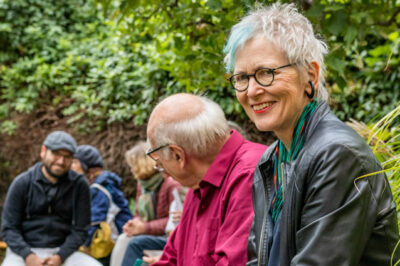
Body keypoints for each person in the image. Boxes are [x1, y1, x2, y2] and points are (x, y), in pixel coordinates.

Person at [223, 3, 400, 266]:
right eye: (241, 78)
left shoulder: (337, 154)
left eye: (265, 73)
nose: (251, 91)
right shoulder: (271, 159)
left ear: (311, 76)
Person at [146, 93, 267, 265]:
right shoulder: (198, 184)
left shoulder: (249, 175)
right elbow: (171, 259)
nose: (163, 172)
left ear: (178, 155)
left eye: (159, 162)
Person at [1, 131, 102, 266]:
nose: (61, 161)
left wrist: (60, 256)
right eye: (56, 154)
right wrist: (28, 256)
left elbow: (81, 229)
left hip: (64, 252)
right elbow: (8, 228)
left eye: (67, 157)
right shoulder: (22, 183)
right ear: (43, 151)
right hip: (23, 252)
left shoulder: (79, 184)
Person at [110, 141, 179, 266]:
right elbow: (138, 214)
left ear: (143, 164)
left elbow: (173, 221)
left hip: (165, 236)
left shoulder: (170, 184)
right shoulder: (142, 185)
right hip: (151, 232)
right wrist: (134, 224)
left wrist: (145, 227)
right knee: (123, 238)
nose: (131, 170)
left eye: (133, 165)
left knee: (135, 243)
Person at [71, 145, 133, 264]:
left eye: (75, 162)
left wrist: (83, 246)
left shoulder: (98, 189)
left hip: (110, 246)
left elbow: (94, 222)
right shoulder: (106, 183)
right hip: (119, 242)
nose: (71, 167)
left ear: (87, 166)